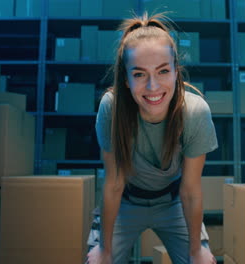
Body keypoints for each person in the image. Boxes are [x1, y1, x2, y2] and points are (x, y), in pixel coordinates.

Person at [86, 12, 218, 264]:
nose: (153, 87)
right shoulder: (111, 107)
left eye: (163, 71)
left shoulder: (194, 111)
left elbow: (190, 190)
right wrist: (104, 249)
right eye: (139, 74)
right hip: (125, 201)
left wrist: (196, 252)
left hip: (174, 202)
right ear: (125, 79)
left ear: (176, 71)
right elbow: (113, 184)